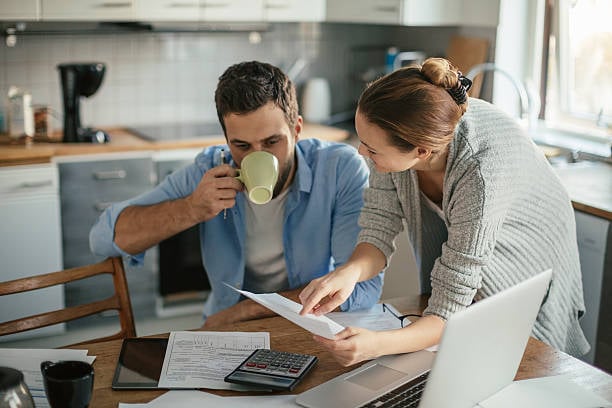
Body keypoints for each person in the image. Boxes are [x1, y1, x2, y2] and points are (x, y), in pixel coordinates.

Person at [299, 57, 589, 366]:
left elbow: (448, 313)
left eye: (371, 149)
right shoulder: (401, 138)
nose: (362, 152)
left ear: (422, 152)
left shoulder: (480, 172)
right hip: (470, 270)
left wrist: (378, 345)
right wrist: (349, 273)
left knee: (528, 366)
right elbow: (378, 225)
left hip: (528, 260)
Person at [90, 61, 383, 329]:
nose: (258, 157)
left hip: (307, 322)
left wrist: (245, 311)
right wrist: (192, 209)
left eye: (272, 142)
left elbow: (363, 288)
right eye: (241, 146)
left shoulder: (338, 169)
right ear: (227, 140)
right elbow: (103, 239)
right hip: (228, 328)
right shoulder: (210, 169)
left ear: (296, 129)